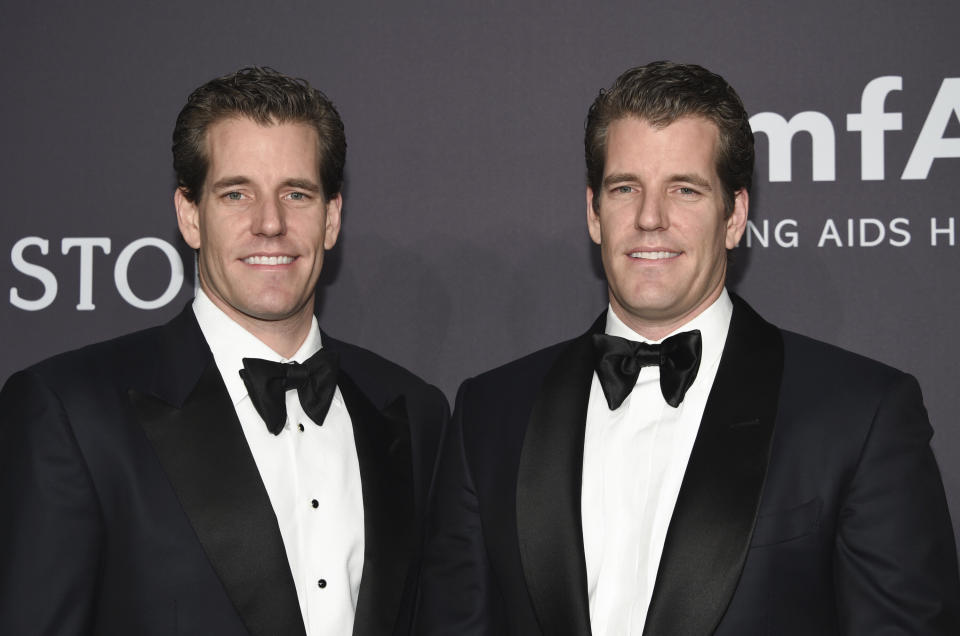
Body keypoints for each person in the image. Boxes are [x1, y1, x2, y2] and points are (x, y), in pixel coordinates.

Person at [416, 61, 960, 635]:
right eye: (625, 188)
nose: (651, 219)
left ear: (735, 216)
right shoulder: (491, 414)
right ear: (593, 213)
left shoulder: (860, 415)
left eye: (685, 190)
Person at [0, 67, 448, 636]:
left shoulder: (414, 411)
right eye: (236, 194)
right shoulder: (74, 413)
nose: (270, 223)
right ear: (190, 215)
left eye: (297, 194)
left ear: (332, 218)